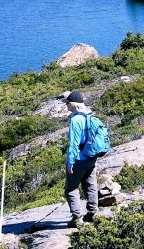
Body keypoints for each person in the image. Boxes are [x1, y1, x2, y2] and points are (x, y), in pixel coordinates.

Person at [62, 91, 98, 226]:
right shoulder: (90, 115)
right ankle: (93, 213)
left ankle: (77, 218)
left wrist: (70, 162)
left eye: (67, 103)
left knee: (71, 188)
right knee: (90, 184)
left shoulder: (76, 119)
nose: (66, 106)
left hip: (79, 158)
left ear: (73, 104)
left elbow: (74, 144)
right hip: (91, 155)